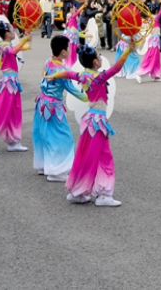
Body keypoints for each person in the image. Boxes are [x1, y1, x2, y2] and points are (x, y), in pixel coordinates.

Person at [64, 44, 133, 206]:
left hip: (89, 121)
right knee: (104, 158)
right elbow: (116, 68)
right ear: (95, 62)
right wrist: (128, 51)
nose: (101, 58)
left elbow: (67, 73)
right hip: (98, 123)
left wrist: (53, 75)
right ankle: (103, 195)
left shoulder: (83, 75)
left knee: (87, 155)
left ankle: (78, 191)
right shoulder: (98, 77)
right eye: (99, 56)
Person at [33, 36, 88, 182]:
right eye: (68, 47)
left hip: (42, 103)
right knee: (63, 137)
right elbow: (74, 90)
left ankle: (44, 166)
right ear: (63, 51)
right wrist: (90, 98)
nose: (70, 50)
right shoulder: (62, 70)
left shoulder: (48, 61)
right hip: (53, 108)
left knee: (44, 135)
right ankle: (57, 171)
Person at [0, 22, 31, 154]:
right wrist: (24, 39)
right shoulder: (3, 46)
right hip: (7, 83)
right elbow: (13, 51)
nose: (14, 33)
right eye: (12, 31)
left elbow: (24, 47)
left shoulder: (8, 44)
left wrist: (28, 38)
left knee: (14, 111)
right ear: (7, 34)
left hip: (13, 83)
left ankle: (13, 141)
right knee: (1, 112)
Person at [136, 0, 161, 83]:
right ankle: (140, 73)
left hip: (154, 40)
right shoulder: (154, 18)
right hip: (154, 40)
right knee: (151, 57)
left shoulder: (147, 20)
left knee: (156, 58)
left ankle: (156, 75)